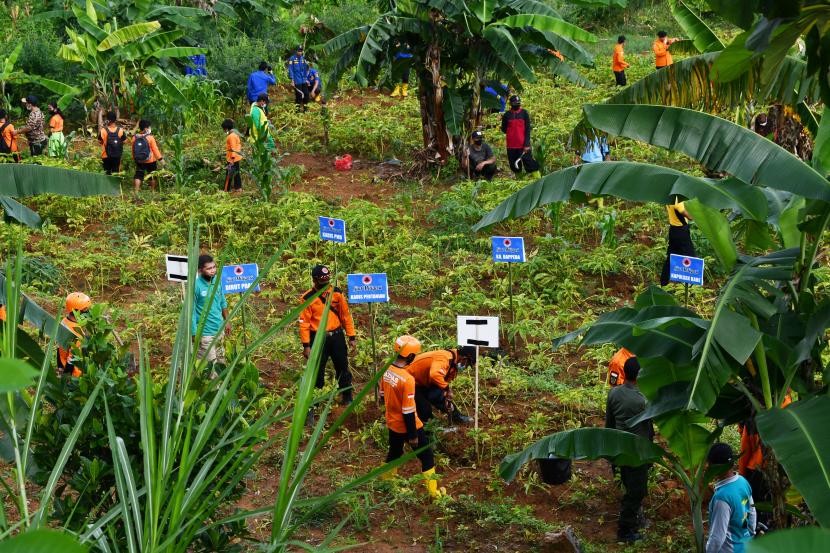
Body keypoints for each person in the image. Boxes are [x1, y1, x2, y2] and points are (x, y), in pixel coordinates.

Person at [382, 335, 446, 499]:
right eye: (415, 355)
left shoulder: (386, 370)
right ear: (410, 356)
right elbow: (408, 410)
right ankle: (434, 494)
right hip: (408, 425)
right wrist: (412, 435)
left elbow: (383, 394)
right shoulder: (408, 379)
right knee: (427, 456)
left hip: (392, 422)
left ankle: (387, 484)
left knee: (395, 452)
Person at [605, 357, 653, 543]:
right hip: (637, 453)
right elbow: (649, 430)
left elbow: (609, 423)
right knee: (637, 491)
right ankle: (625, 532)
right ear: (640, 375)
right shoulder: (643, 400)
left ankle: (633, 520)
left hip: (619, 448)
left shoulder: (614, 394)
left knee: (629, 485)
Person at [298, 264, 357, 405]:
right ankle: (315, 401)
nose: (325, 284)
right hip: (318, 338)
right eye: (321, 281)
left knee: (343, 367)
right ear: (315, 280)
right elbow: (304, 324)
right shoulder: (307, 298)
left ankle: (347, 397)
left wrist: (351, 336)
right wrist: (306, 346)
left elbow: (346, 316)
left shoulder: (336, 293)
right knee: (317, 370)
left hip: (337, 336)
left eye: (327, 280)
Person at [706, 443, 757, 553]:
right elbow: (752, 512)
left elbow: (717, 537)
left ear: (716, 467)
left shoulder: (722, 498)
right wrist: (750, 535)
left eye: (709, 464)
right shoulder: (743, 482)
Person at [405, 346, 476, 424]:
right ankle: (427, 428)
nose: (465, 367)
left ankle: (457, 417)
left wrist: (445, 394)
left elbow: (442, 381)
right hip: (408, 381)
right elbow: (434, 375)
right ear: (464, 359)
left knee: (439, 397)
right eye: (467, 364)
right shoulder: (444, 358)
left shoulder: (453, 362)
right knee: (425, 409)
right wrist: (447, 388)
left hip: (422, 381)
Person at [192, 254, 230, 367]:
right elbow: (191, 312)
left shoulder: (216, 282)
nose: (213, 271)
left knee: (221, 365)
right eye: (209, 268)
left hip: (219, 331)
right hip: (205, 335)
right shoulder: (196, 286)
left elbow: (223, 302)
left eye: (214, 267)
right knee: (210, 369)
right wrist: (194, 334)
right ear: (200, 270)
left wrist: (227, 321)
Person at [660, 196, 695, 286]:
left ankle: (664, 283)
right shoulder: (677, 200)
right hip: (681, 232)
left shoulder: (669, 198)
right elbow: (689, 216)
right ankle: (691, 286)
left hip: (673, 230)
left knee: (671, 257)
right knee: (690, 257)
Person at [57, 292, 91, 378]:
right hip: (74, 374)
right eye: (86, 311)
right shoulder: (77, 334)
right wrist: (67, 377)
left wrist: (60, 367)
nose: (88, 313)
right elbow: (71, 359)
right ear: (79, 312)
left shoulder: (64, 321)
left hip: (62, 360)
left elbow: (59, 346)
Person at [501, 95, 533, 175]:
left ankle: (537, 181)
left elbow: (528, 129)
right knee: (515, 167)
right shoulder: (507, 115)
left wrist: (527, 144)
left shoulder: (524, 113)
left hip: (523, 146)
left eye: (518, 102)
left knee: (530, 165)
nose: (517, 104)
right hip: (511, 146)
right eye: (515, 103)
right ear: (510, 104)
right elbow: (504, 129)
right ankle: (519, 182)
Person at [132, 119, 164, 192]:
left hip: (139, 160)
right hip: (150, 160)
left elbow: (133, 150)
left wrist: (135, 158)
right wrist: (161, 159)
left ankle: (136, 191)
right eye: (149, 127)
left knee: (138, 175)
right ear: (146, 128)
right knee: (152, 175)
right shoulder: (150, 137)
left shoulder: (135, 137)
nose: (150, 128)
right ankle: (152, 191)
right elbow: (155, 150)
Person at [222, 119, 243, 192]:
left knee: (229, 174)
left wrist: (232, 160)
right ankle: (238, 188)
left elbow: (233, 148)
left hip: (233, 159)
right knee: (236, 174)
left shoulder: (231, 136)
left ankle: (226, 190)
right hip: (235, 158)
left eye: (224, 129)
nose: (224, 131)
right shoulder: (234, 134)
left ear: (226, 128)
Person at [287, 46, 310, 111]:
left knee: (306, 94)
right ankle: (297, 110)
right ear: (296, 51)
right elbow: (290, 69)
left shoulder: (303, 59)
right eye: (299, 51)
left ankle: (306, 109)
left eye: (301, 51)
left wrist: (306, 79)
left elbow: (305, 69)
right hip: (297, 80)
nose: (300, 52)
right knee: (299, 95)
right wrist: (292, 80)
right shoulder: (292, 59)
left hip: (303, 80)